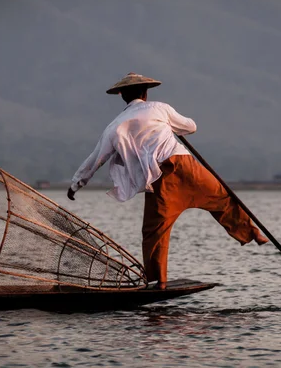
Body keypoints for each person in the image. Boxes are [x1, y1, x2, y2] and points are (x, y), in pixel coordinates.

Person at [68, 73, 268, 289]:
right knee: (223, 198)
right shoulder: (159, 108)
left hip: (159, 180)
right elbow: (191, 127)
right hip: (184, 166)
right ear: (145, 93)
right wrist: (172, 124)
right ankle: (253, 233)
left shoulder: (114, 126)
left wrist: (76, 184)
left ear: (122, 96)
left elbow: (95, 159)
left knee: (154, 232)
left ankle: (158, 280)